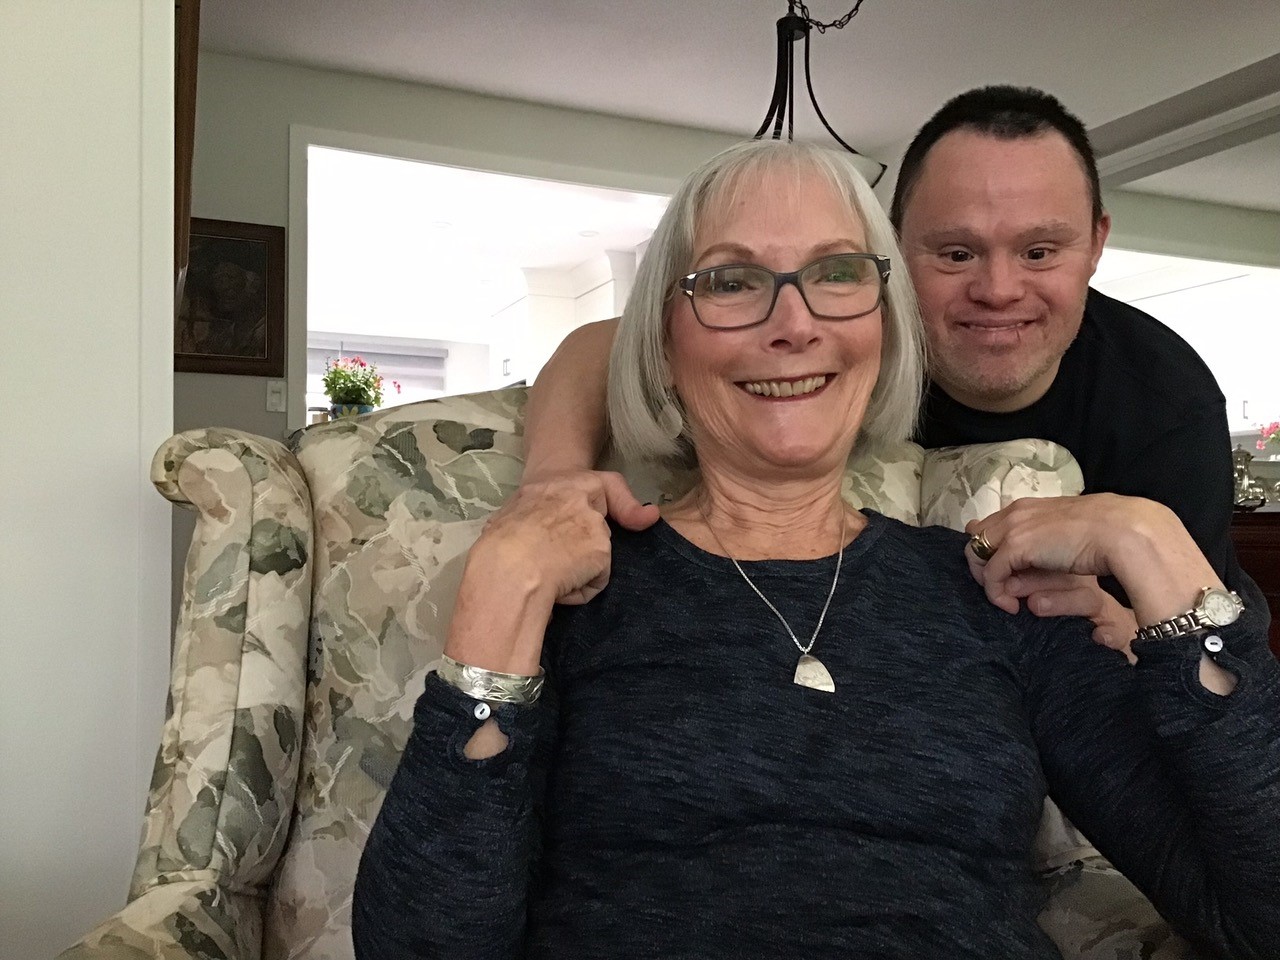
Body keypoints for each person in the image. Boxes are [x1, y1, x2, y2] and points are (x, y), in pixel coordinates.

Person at [352, 140, 1280, 959]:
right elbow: (425, 945)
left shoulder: (992, 593)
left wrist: (1154, 546)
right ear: (663, 347)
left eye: (836, 273)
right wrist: (497, 602)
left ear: (884, 323)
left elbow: (1258, 913)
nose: (792, 323)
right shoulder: (581, 592)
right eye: (729, 280)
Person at [520, 85, 1246, 653]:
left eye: (1039, 252)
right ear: (893, 252)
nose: (997, 290)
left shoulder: (1166, 401)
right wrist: (553, 486)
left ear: (1095, 244)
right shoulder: (851, 327)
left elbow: (1205, 635)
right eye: (956, 253)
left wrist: (1141, 631)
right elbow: (623, 341)